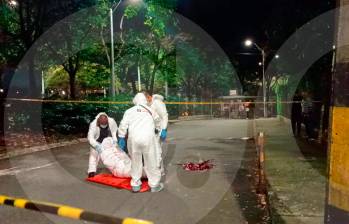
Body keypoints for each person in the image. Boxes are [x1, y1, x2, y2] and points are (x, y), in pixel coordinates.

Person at [118, 92, 163, 193]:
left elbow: (123, 124)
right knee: (151, 161)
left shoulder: (129, 111)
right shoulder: (151, 110)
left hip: (133, 139)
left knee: (135, 161)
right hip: (148, 139)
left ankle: (135, 185)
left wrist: (121, 137)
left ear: (135, 100)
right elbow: (158, 122)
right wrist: (159, 130)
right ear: (144, 100)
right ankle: (154, 185)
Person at [87, 112, 118, 178]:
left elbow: (114, 132)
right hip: (96, 141)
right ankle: (91, 171)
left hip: (108, 141)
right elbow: (90, 137)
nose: (104, 124)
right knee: (94, 155)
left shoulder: (111, 121)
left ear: (107, 120)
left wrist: (115, 143)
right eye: (102, 123)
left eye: (105, 122)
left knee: (114, 155)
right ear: (99, 120)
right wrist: (96, 146)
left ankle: (116, 170)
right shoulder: (93, 124)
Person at [147, 93, 168, 175]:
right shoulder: (147, 104)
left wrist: (164, 129)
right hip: (150, 131)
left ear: (148, 97)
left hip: (159, 130)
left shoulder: (157, 103)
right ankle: (153, 170)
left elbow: (164, 116)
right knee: (151, 151)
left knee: (157, 151)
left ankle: (160, 171)